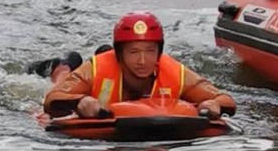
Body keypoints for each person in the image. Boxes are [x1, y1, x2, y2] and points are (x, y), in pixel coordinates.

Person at [42, 12, 237, 119]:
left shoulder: (176, 72)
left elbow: (225, 99)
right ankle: (63, 66)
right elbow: (53, 99)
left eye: (150, 51)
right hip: (91, 87)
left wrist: (214, 104)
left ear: (159, 52)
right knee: (62, 80)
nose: (143, 61)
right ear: (119, 54)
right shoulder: (97, 68)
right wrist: (79, 102)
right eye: (134, 52)